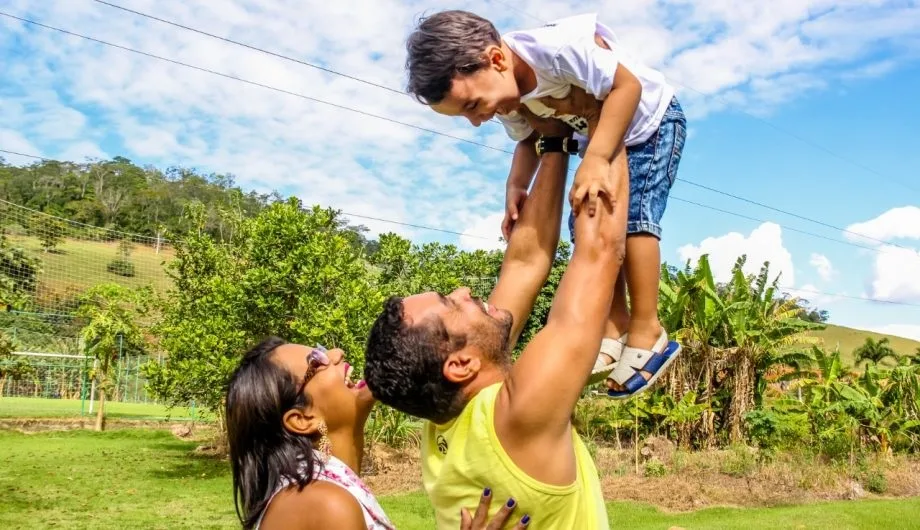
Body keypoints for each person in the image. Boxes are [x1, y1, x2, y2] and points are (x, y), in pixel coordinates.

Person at [403, 9, 686, 397]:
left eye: (471, 106)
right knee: (582, 225)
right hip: (596, 138)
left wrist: (598, 158)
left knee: (634, 220)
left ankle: (647, 328)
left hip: (649, 126)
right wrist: (516, 184)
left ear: (497, 60)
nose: (476, 120)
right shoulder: (507, 96)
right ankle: (614, 326)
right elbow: (527, 139)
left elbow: (627, 88)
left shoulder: (557, 52)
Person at [363, 121, 626, 528]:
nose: (466, 290)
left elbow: (525, 263)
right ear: (460, 365)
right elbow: (599, 251)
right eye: (452, 304)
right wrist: (602, 115)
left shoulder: (446, 427)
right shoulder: (518, 415)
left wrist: (554, 140)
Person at [225, 337, 532, 529]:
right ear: (302, 418)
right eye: (315, 362)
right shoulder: (322, 504)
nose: (335, 353)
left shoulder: (319, 492)